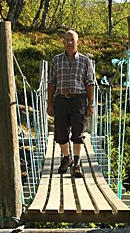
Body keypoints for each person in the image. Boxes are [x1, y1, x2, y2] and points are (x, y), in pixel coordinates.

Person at [47, 29, 94, 178]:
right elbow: (51, 82)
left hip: (78, 99)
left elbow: (90, 83)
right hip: (61, 99)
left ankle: (77, 164)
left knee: (78, 131)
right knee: (60, 131)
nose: (69, 42)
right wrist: (49, 103)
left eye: (72, 40)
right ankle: (67, 157)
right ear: (63, 42)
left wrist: (91, 104)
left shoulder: (86, 61)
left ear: (77, 42)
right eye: (67, 40)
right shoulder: (56, 60)